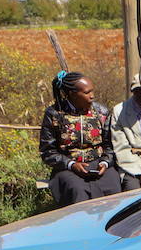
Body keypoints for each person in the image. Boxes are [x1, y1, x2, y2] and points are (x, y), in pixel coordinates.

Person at [38, 71, 121, 205]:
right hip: (67, 167)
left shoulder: (101, 112)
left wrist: (105, 162)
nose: (92, 96)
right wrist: (71, 165)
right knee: (77, 190)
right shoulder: (54, 114)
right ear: (72, 94)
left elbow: (109, 145)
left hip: (98, 164)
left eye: (92, 91)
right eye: (87, 93)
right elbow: (47, 151)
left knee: (113, 186)